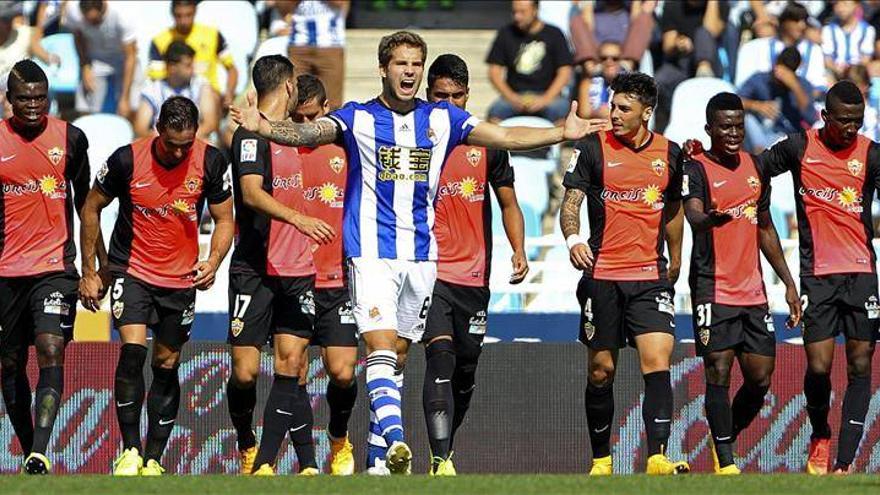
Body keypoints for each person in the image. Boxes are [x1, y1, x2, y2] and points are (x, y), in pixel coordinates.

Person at [230, 30, 607, 475]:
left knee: (399, 355)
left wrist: (560, 131)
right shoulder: (359, 118)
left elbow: (503, 135)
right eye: (401, 64)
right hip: (370, 253)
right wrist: (266, 128)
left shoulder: (443, 119)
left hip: (422, 257)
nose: (408, 71)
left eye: (415, 64)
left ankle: (375, 461)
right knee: (380, 346)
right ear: (384, 69)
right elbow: (311, 129)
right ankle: (395, 438)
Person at [79, 96, 234, 476]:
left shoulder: (212, 161)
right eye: (172, 143)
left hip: (180, 281)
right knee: (132, 354)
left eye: (187, 143)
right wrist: (92, 268)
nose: (180, 152)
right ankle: (130, 451)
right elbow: (91, 206)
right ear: (158, 130)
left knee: (166, 364)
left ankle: (153, 459)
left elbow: (225, 220)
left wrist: (212, 261)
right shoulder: (126, 160)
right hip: (132, 272)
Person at [559, 71, 689, 476]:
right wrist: (573, 239)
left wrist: (676, 255)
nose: (613, 114)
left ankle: (657, 457)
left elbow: (672, 209)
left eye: (623, 108)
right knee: (602, 370)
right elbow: (571, 201)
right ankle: (601, 460)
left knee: (658, 358)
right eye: (613, 105)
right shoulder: (593, 147)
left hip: (649, 276)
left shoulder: (669, 153)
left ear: (646, 113)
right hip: (603, 275)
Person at [754, 81, 880, 475]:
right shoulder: (798, 147)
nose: (850, 129)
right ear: (825, 116)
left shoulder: (871, 155)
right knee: (821, 366)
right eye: (843, 121)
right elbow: (754, 169)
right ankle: (820, 432)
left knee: (861, 365)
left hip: (861, 273)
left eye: (857, 122)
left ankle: (843, 463)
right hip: (818, 274)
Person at [682, 92, 802, 474]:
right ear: (709, 129)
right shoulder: (695, 167)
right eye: (725, 127)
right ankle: (727, 464)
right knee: (717, 370)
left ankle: (724, 438)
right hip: (711, 288)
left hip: (753, 292)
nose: (733, 133)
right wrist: (709, 220)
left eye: (738, 126)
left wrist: (788, 282)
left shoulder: (754, 166)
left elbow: (764, 227)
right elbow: (694, 215)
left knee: (760, 377)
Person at [420, 53, 528, 476]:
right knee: (440, 359)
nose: (447, 104)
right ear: (428, 95)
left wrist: (518, 249)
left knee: (464, 372)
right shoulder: (414, 140)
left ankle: (443, 449)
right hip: (431, 272)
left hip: (474, 277)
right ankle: (439, 458)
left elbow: (508, 203)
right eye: (439, 96)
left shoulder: (486, 143)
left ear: (468, 96)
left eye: (456, 96)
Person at [225, 56, 331, 477]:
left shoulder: (293, 136)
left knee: (291, 364)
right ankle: (246, 442)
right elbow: (251, 194)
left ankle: (268, 464)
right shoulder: (250, 136)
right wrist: (298, 219)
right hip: (254, 267)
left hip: (297, 269)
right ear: (288, 86)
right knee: (246, 373)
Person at [0, 60, 95, 475]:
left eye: (41, 97)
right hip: (5, 270)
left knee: (51, 348)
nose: (34, 105)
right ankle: (29, 450)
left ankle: (40, 449)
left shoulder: (71, 138)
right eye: (25, 99)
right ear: (9, 101)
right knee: (9, 362)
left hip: (56, 266)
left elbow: (87, 205)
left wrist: (93, 267)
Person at [294, 73, 358, 476]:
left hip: (338, 279)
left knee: (343, 371)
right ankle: (306, 462)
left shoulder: (346, 150)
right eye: (295, 119)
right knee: (294, 371)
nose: (302, 129)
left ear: (326, 110)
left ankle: (339, 439)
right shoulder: (278, 150)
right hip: (294, 278)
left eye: (310, 118)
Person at [485, 0, 574, 124]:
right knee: (495, 115)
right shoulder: (506, 33)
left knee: (562, 115)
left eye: (522, 12)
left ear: (535, 10)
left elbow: (565, 71)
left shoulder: (554, 34)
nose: (517, 17)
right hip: (514, 94)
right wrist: (511, 97)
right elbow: (494, 71)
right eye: (514, 12)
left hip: (548, 95)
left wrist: (546, 99)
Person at [148, 0, 238, 110]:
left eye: (188, 15)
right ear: (172, 14)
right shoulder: (159, 40)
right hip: (172, 96)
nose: (183, 21)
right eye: (178, 16)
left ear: (195, 11)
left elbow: (231, 69)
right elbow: (156, 79)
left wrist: (229, 94)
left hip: (208, 96)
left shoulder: (212, 35)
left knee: (211, 97)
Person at [654, 0, 729, 132]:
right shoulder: (673, 5)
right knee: (659, 81)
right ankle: (661, 129)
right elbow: (668, 44)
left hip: (712, 61)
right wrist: (679, 43)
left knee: (702, 32)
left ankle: (703, 68)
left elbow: (712, 31)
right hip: (682, 62)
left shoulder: (719, 4)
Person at [63, 0, 138, 117]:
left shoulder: (123, 15)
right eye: (88, 20)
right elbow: (78, 36)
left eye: (95, 20)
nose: (92, 24)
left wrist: (125, 98)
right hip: (95, 59)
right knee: (85, 105)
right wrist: (85, 66)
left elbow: (131, 55)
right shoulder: (72, 10)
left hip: (123, 58)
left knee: (130, 106)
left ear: (104, 7)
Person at [134, 40, 219, 141]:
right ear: (172, 67)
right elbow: (141, 129)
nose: (193, 69)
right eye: (188, 65)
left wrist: (181, 140)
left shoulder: (201, 86)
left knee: (209, 144)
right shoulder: (151, 90)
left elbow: (210, 123)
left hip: (193, 141)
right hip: (162, 144)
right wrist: (170, 142)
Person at [739, 46, 815, 153]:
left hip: (785, 136)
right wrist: (756, 105)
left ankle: (762, 158)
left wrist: (794, 86)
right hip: (759, 131)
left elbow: (809, 114)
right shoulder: (759, 79)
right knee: (747, 119)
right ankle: (759, 157)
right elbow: (735, 101)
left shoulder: (802, 85)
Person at [287, 0, 349, 110]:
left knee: (331, 103)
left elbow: (341, 2)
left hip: (330, 44)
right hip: (298, 44)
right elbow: (282, 6)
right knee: (295, 101)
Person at [822, 0, 875, 81]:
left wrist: (851, 71)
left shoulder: (867, 30)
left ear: (856, 5)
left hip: (857, 74)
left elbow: (865, 59)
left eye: (845, 4)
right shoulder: (828, 29)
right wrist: (837, 70)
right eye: (837, 4)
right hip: (835, 73)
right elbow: (827, 59)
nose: (841, 8)